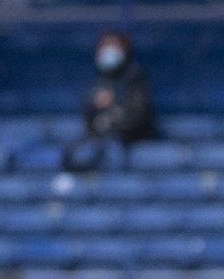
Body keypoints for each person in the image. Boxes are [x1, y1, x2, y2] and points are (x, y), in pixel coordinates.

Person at [62, 29, 156, 172]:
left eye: (113, 46)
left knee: (112, 152)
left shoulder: (135, 78)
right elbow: (87, 119)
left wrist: (113, 107)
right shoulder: (97, 81)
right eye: (105, 46)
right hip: (99, 140)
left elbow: (138, 117)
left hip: (127, 142)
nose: (109, 51)